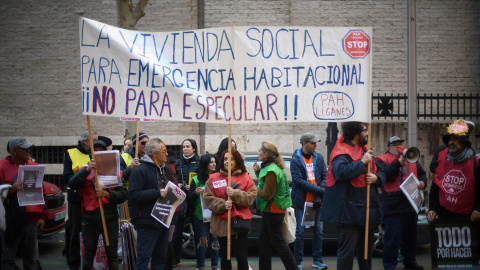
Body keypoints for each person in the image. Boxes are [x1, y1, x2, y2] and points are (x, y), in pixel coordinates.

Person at [321, 122, 385, 270]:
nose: (367, 133)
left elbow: (382, 170)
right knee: (346, 253)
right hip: (349, 214)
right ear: (355, 133)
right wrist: (362, 163)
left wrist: (377, 178)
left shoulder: (365, 151)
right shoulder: (341, 152)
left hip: (367, 211)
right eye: (364, 130)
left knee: (366, 254)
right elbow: (341, 172)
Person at [68, 140, 127, 270]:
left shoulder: (114, 171)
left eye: (101, 151)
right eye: (96, 152)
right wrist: (87, 170)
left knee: (112, 254)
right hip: (89, 220)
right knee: (88, 254)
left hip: (109, 219)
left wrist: (108, 195)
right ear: (90, 155)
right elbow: (72, 185)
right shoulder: (83, 170)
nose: (98, 154)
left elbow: (123, 194)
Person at [377, 136, 427, 270]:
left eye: (400, 144)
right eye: (395, 145)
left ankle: (410, 261)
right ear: (388, 148)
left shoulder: (412, 159)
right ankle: (389, 265)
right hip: (394, 206)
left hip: (411, 204)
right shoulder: (382, 160)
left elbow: (422, 174)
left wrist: (423, 182)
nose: (398, 147)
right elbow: (383, 175)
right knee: (392, 238)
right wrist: (397, 163)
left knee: (410, 237)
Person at [204, 148, 257, 270]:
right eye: (225, 159)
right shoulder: (213, 178)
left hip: (240, 225)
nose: (227, 161)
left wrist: (236, 193)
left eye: (231, 159)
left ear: (237, 161)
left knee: (241, 256)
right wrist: (223, 204)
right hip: (222, 224)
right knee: (225, 257)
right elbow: (208, 199)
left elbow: (251, 198)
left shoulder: (246, 178)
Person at [0, 137, 46, 270]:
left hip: (30, 220)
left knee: (31, 258)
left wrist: (42, 216)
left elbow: (41, 191)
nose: (28, 150)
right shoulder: (2, 166)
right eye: (24, 148)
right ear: (14, 151)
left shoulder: (33, 166)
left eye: (29, 147)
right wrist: (11, 191)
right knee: (8, 258)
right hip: (10, 220)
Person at [129, 138, 174, 270]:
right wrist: (156, 193)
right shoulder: (139, 170)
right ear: (154, 153)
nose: (167, 154)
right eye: (164, 151)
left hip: (163, 220)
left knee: (160, 259)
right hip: (147, 222)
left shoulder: (165, 170)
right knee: (144, 258)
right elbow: (132, 195)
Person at [253, 141, 297, 270]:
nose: (258, 152)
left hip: (273, 209)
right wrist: (258, 173)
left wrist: (252, 188)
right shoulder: (271, 167)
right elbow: (267, 185)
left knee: (278, 243)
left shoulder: (272, 170)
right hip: (272, 209)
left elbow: (267, 194)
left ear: (266, 154)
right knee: (263, 241)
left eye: (260, 150)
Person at [428, 119, 480, 223]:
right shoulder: (442, 159)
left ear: (463, 142)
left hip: (467, 216)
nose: (451, 142)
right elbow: (435, 186)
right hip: (445, 213)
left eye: (455, 139)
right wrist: (433, 208)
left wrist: (478, 209)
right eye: (450, 139)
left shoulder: (475, 162)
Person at [290, 133, 328, 270]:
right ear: (304, 143)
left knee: (319, 231)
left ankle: (317, 260)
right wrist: (319, 190)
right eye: (313, 143)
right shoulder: (296, 160)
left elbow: (325, 175)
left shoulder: (318, 157)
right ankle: (297, 261)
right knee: (300, 232)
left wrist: (319, 193)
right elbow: (298, 181)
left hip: (317, 202)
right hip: (302, 202)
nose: (315, 145)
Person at [63, 129, 98, 270]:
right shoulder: (71, 154)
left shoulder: (96, 154)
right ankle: (74, 264)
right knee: (75, 234)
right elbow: (67, 179)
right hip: (77, 201)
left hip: (93, 201)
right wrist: (86, 170)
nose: (97, 143)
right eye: (94, 141)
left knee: (91, 234)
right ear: (85, 142)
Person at [172, 138, 200, 266]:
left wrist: (192, 187)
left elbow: (203, 179)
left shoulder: (199, 163)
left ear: (194, 148)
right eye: (184, 147)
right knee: (177, 232)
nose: (185, 149)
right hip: (180, 201)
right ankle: (175, 259)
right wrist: (178, 185)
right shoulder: (178, 163)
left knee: (198, 232)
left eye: (188, 146)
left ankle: (200, 260)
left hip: (195, 201)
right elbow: (173, 178)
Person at [188, 154, 219, 270]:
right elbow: (189, 199)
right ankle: (201, 265)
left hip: (215, 215)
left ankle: (215, 266)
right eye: (211, 162)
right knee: (202, 241)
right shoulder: (195, 179)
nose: (214, 164)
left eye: (215, 162)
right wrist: (195, 193)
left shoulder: (217, 177)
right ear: (205, 164)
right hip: (201, 216)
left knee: (215, 242)